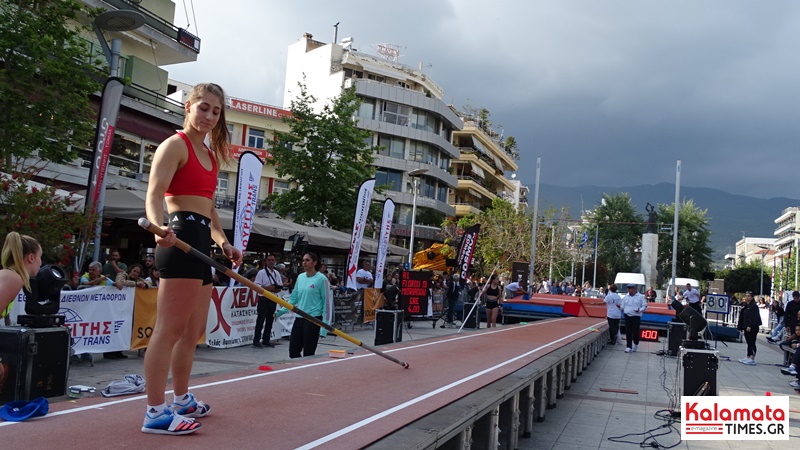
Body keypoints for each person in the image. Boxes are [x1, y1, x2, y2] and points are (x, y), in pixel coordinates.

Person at [142, 82, 242, 435]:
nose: (209, 117)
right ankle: (155, 412)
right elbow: (153, 193)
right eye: (204, 108)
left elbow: (210, 208)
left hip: (203, 240)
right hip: (179, 235)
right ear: (188, 106)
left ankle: (181, 398)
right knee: (169, 329)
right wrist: (157, 228)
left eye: (216, 112)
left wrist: (224, 242)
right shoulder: (174, 145)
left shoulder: (211, 155)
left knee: (193, 331)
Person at [276, 252, 330, 358]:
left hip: (313, 319)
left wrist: (324, 328)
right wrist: (280, 312)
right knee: (293, 351)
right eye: (303, 260)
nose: (304, 262)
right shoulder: (300, 277)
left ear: (314, 263)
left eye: (307, 260)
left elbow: (326, 304)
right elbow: (293, 299)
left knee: (308, 353)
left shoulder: (322, 279)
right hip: (300, 317)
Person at [0, 232, 42, 320]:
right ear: (31, 257)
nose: (41, 263)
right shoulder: (14, 278)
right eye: (40, 257)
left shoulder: (9, 275)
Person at [253, 253, 282, 348]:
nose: (271, 262)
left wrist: (276, 288)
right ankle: (256, 340)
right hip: (264, 299)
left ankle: (266, 340)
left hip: (273, 298)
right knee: (260, 321)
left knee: (270, 321)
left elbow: (280, 285)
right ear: (266, 261)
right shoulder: (261, 273)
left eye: (273, 260)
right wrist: (268, 288)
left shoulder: (277, 273)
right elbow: (256, 285)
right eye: (269, 260)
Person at [621, 284, 647, 353]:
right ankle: (628, 346)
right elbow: (622, 306)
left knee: (635, 331)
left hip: (636, 316)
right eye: (628, 289)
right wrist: (619, 307)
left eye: (630, 288)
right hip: (627, 316)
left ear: (634, 289)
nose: (628, 290)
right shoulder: (626, 297)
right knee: (628, 331)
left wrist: (640, 310)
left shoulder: (640, 297)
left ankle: (635, 343)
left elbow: (644, 306)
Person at [737, 292, 761, 365]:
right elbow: (743, 316)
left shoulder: (754, 306)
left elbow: (754, 317)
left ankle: (752, 357)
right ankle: (748, 356)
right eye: (746, 296)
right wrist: (740, 326)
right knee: (748, 342)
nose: (747, 297)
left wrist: (750, 325)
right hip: (746, 326)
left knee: (752, 342)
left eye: (748, 296)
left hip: (752, 327)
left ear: (752, 297)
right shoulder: (746, 306)